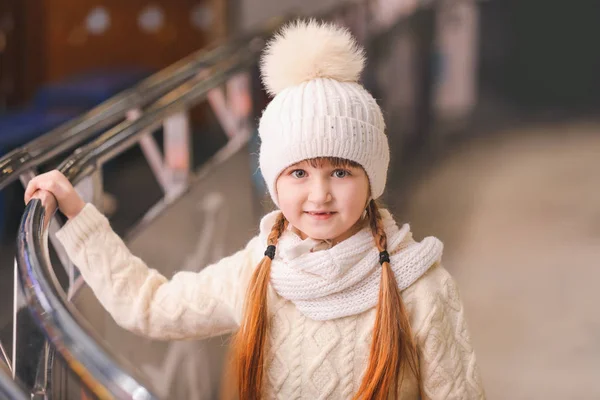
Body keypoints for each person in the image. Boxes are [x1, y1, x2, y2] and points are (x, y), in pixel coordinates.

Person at [25, 20, 485, 399]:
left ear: (373, 178)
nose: (320, 194)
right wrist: (78, 214)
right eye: (299, 173)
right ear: (274, 180)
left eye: (341, 172)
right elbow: (150, 306)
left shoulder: (421, 288)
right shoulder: (257, 273)